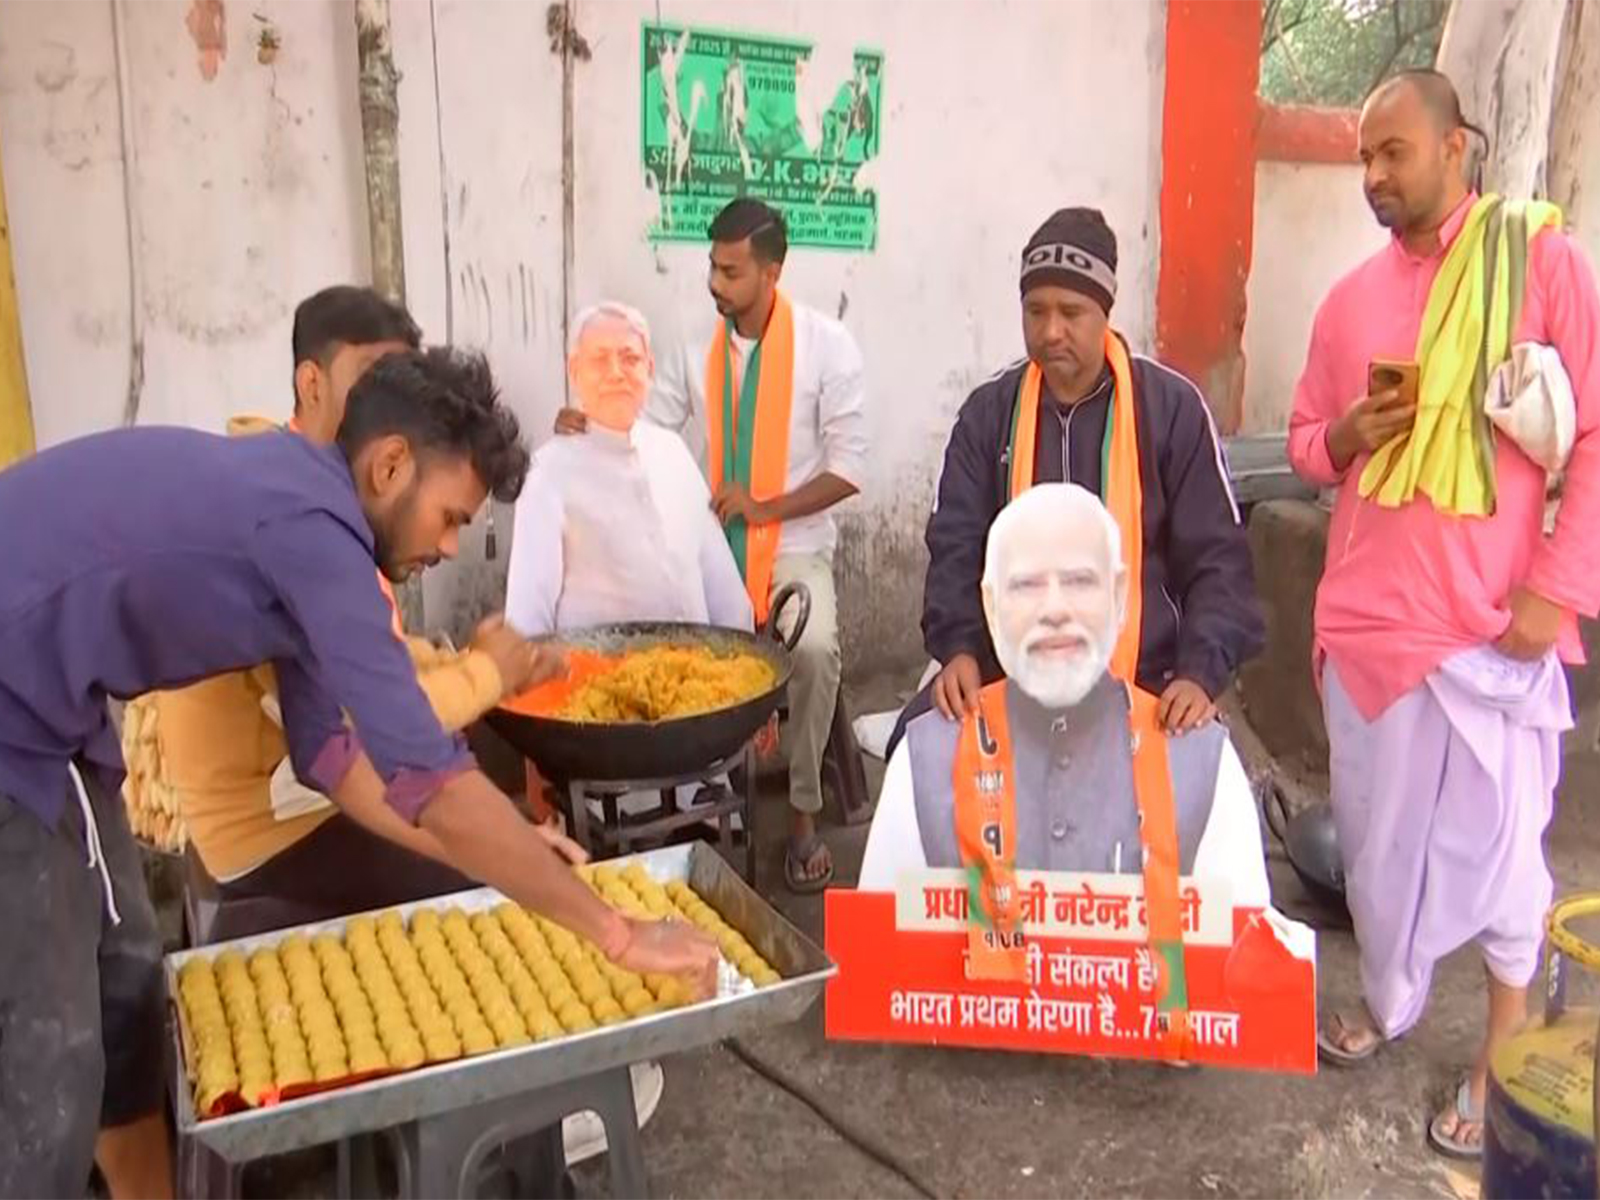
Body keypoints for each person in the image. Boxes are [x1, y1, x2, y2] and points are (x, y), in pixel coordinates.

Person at [0, 347, 718, 1197]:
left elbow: (335, 760)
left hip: (56, 723)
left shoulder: (300, 504)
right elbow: (427, 774)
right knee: (49, 1068)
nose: (452, 547)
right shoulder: (314, 536)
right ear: (389, 465)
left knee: (124, 990)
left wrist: (509, 847)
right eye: (450, 517)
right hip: (11, 725)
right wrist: (616, 932)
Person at [1287, 70, 1600, 1159]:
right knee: (1375, 858)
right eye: (1362, 157)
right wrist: (1345, 440)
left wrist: (1556, 586)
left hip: (1486, 632)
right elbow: (1300, 443)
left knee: (1505, 859)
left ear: (1456, 149)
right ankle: (1390, 997)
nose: (1372, 175)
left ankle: (1497, 1058)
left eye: (1393, 153)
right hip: (1367, 627)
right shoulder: (1344, 304)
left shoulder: (1537, 261)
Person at [121, 286, 546, 937]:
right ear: (311, 384)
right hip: (273, 827)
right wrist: (486, 674)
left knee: (489, 834)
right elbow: (366, 728)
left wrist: (459, 663)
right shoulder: (298, 524)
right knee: (498, 899)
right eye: (372, 381)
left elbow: (362, 679)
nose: (382, 409)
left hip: (301, 788)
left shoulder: (317, 499)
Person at [558, 199, 869, 892]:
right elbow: (646, 426)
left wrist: (766, 507)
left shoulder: (827, 346)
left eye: (731, 271)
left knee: (813, 651)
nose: (715, 283)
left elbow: (849, 470)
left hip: (792, 545)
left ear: (772, 271)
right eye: (712, 266)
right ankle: (690, 804)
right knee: (652, 647)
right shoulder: (695, 349)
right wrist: (590, 425)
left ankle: (801, 816)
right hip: (710, 547)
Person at [896, 206, 1262, 757]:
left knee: (1207, 793)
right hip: (1007, 671)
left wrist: (1200, 673)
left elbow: (1218, 560)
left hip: (1148, 676)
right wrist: (959, 650)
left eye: (1071, 312)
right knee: (915, 749)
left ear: (1105, 312)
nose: (1050, 331)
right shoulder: (987, 415)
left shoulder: (1170, 410)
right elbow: (955, 547)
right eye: (1035, 311)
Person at [861, 484, 1269, 907]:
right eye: (1026, 585)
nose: (1054, 609)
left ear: (1119, 595)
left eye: (1079, 581)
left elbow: (1249, 959)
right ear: (991, 606)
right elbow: (874, 952)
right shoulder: (925, 760)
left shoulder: (1201, 763)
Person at [506, 301, 752, 636]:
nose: (616, 372)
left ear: (650, 369)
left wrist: (742, 656)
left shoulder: (672, 451)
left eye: (629, 358)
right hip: (598, 677)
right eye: (599, 359)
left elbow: (721, 580)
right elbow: (527, 614)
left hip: (698, 674)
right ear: (574, 371)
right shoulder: (547, 472)